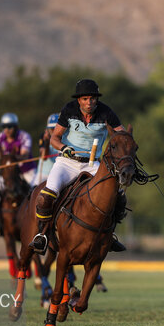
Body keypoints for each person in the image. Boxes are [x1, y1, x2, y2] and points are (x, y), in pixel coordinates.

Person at [29, 79, 127, 254]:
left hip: (93, 164)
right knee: (47, 195)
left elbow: (123, 134)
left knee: (118, 195)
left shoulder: (106, 112)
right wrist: (64, 148)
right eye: (85, 99)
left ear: (97, 99)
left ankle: (109, 235)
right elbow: (55, 138)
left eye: (92, 99)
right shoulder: (69, 110)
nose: (89, 102)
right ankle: (42, 234)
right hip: (67, 162)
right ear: (79, 100)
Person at [0, 113, 37, 235]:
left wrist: (11, 158)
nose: (7, 130)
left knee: (35, 192)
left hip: (26, 171)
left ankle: (37, 222)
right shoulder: (0, 138)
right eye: (4, 127)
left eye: (10, 127)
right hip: (9, 174)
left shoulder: (24, 136)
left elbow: (24, 154)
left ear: (15, 127)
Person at [35, 113, 60, 185]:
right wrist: (46, 142)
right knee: (32, 191)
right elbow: (44, 157)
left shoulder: (66, 138)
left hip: (58, 174)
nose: (54, 131)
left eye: (56, 128)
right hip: (43, 174)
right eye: (52, 129)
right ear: (47, 130)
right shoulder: (43, 137)